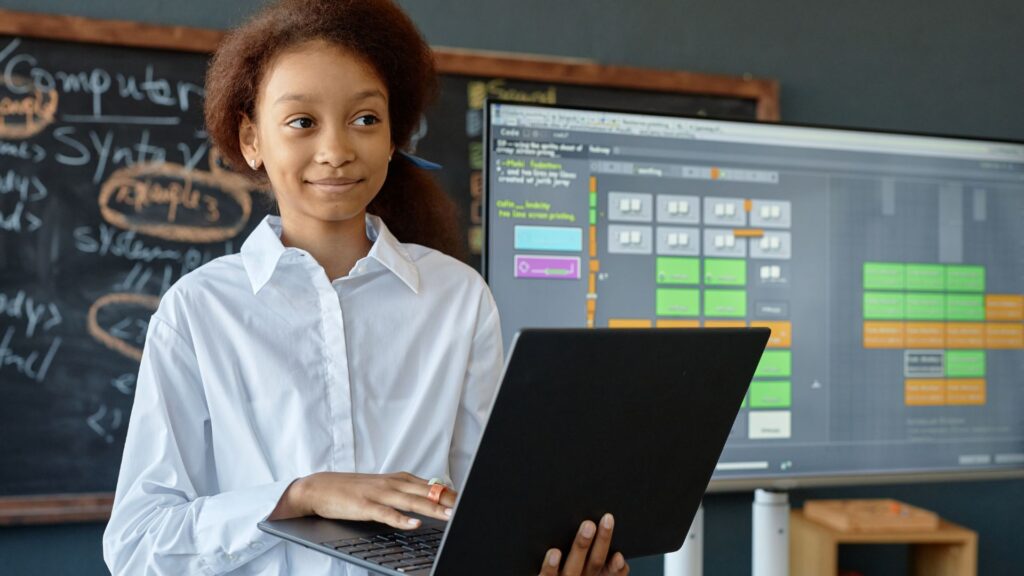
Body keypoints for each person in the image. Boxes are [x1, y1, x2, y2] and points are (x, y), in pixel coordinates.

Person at [102, 1, 630, 574]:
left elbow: (489, 515)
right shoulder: (198, 312)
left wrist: (549, 561)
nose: (336, 151)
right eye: (302, 122)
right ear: (252, 139)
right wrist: (299, 495)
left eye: (365, 119)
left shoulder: (458, 298)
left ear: (392, 137)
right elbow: (138, 544)